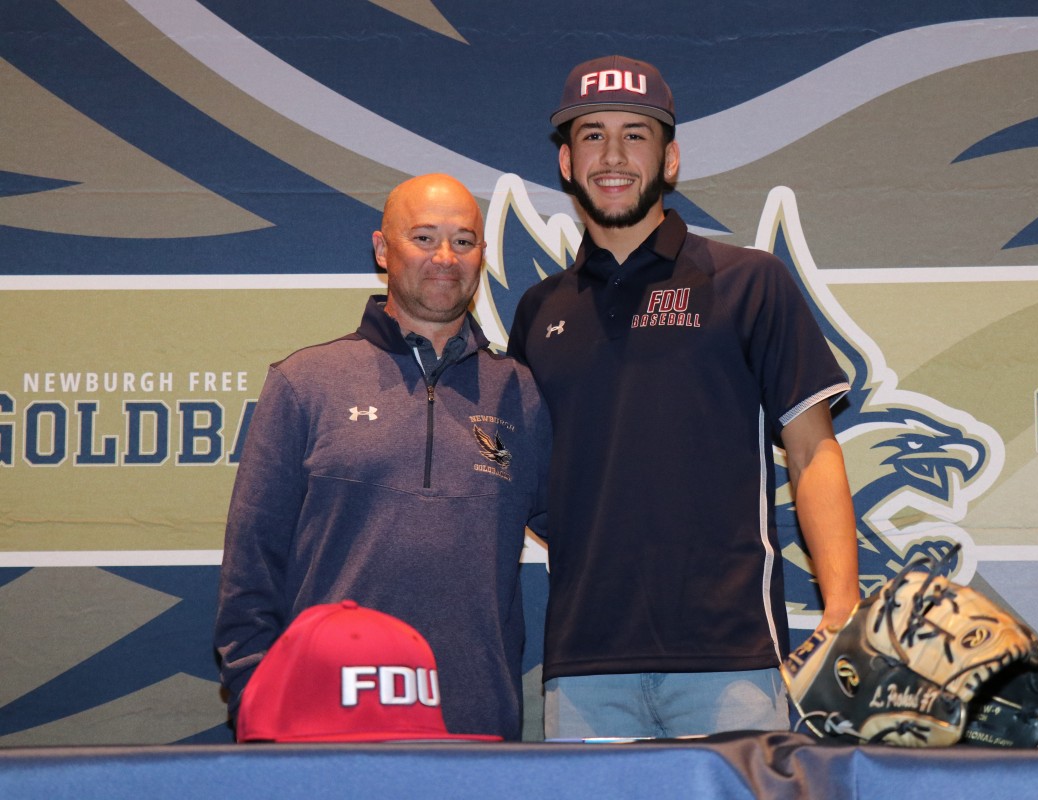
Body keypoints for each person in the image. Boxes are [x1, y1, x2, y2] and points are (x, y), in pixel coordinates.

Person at [507, 55, 860, 739]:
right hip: (584, 663)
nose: (613, 154)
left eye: (636, 135)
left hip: (729, 657)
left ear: (670, 160)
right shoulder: (537, 310)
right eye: (591, 134)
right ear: (566, 163)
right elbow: (525, 483)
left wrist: (841, 607)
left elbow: (813, 447)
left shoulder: (748, 282)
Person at [214, 173, 550, 741]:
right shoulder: (305, 383)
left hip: (476, 729)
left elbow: (592, 537)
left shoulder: (521, 393)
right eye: (424, 238)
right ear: (382, 248)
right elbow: (251, 571)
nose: (445, 257)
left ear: (483, 257)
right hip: (323, 727)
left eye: (463, 241)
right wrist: (261, 702)